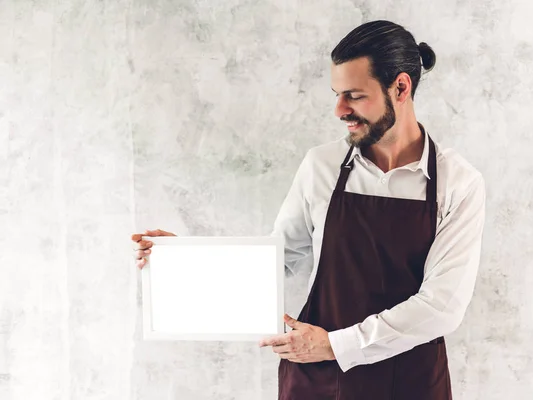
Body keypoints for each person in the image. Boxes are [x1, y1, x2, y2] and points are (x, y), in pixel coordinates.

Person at [132, 20, 485, 400]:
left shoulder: (458, 183)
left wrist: (335, 345)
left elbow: (443, 305)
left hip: (411, 382)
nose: (339, 109)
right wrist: (184, 261)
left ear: (400, 87)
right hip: (318, 381)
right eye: (336, 94)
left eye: (354, 95)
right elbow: (276, 259)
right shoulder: (322, 165)